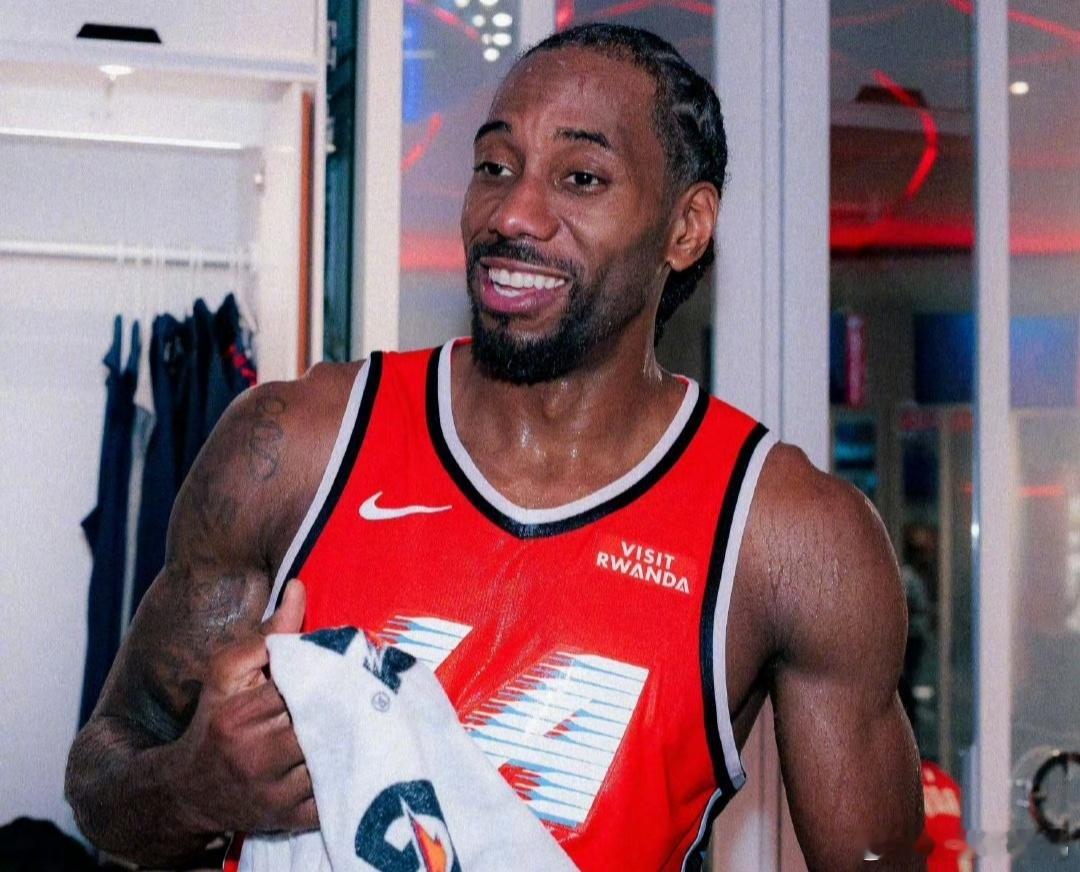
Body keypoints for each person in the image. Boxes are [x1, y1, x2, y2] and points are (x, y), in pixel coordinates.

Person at [66, 24, 923, 871]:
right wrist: (195, 788)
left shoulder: (787, 537)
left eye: (580, 178)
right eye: (494, 166)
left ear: (686, 226)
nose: (512, 213)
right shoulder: (295, 446)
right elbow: (101, 777)